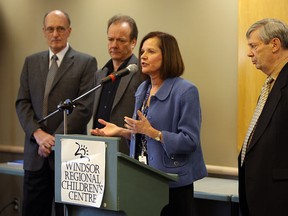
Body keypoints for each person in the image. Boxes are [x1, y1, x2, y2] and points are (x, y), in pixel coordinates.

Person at [91, 31, 207, 216]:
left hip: (171, 184)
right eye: (142, 51)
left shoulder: (185, 91)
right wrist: (122, 131)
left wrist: (154, 133)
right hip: (143, 179)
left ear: (167, 56)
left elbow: (190, 141)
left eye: (150, 51)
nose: (143, 56)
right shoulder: (143, 89)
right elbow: (144, 137)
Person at [15, 10, 97, 216]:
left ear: (69, 31)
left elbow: (84, 107)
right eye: (50, 29)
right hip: (35, 155)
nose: (55, 34)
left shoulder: (86, 62)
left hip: (68, 157)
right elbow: (22, 103)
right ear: (44, 31)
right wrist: (38, 134)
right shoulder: (31, 62)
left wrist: (53, 141)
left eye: (60, 29)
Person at [238, 18, 288, 216]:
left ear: (274, 44)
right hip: (260, 195)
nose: (249, 53)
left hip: (279, 199)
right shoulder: (271, 84)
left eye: (253, 46)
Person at [91, 15, 142, 155]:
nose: (114, 45)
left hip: (125, 151)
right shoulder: (100, 74)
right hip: (97, 150)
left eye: (120, 40)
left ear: (133, 42)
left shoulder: (141, 73)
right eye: (110, 39)